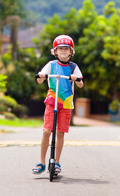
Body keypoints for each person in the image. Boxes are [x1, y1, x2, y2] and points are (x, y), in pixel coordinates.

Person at [32, 35, 83, 175]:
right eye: (60, 49)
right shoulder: (51, 65)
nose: (63, 51)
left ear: (71, 52)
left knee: (60, 133)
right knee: (47, 131)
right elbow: (40, 81)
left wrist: (76, 78)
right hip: (52, 100)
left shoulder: (73, 67)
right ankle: (42, 162)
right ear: (55, 51)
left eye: (66, 49)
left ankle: (57, 162)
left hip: (66, 102)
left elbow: (81, 83)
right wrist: (42, 76)